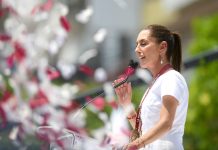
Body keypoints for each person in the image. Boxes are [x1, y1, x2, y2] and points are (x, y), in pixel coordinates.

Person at [113, 24, 189, 150]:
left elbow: (166, 123)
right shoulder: (157, 82)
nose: (136, 49)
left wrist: (136, 144)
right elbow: (144, 129)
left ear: (162, 47)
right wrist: (127, 105)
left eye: (143, 43)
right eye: (136, 44)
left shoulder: (171, 78)